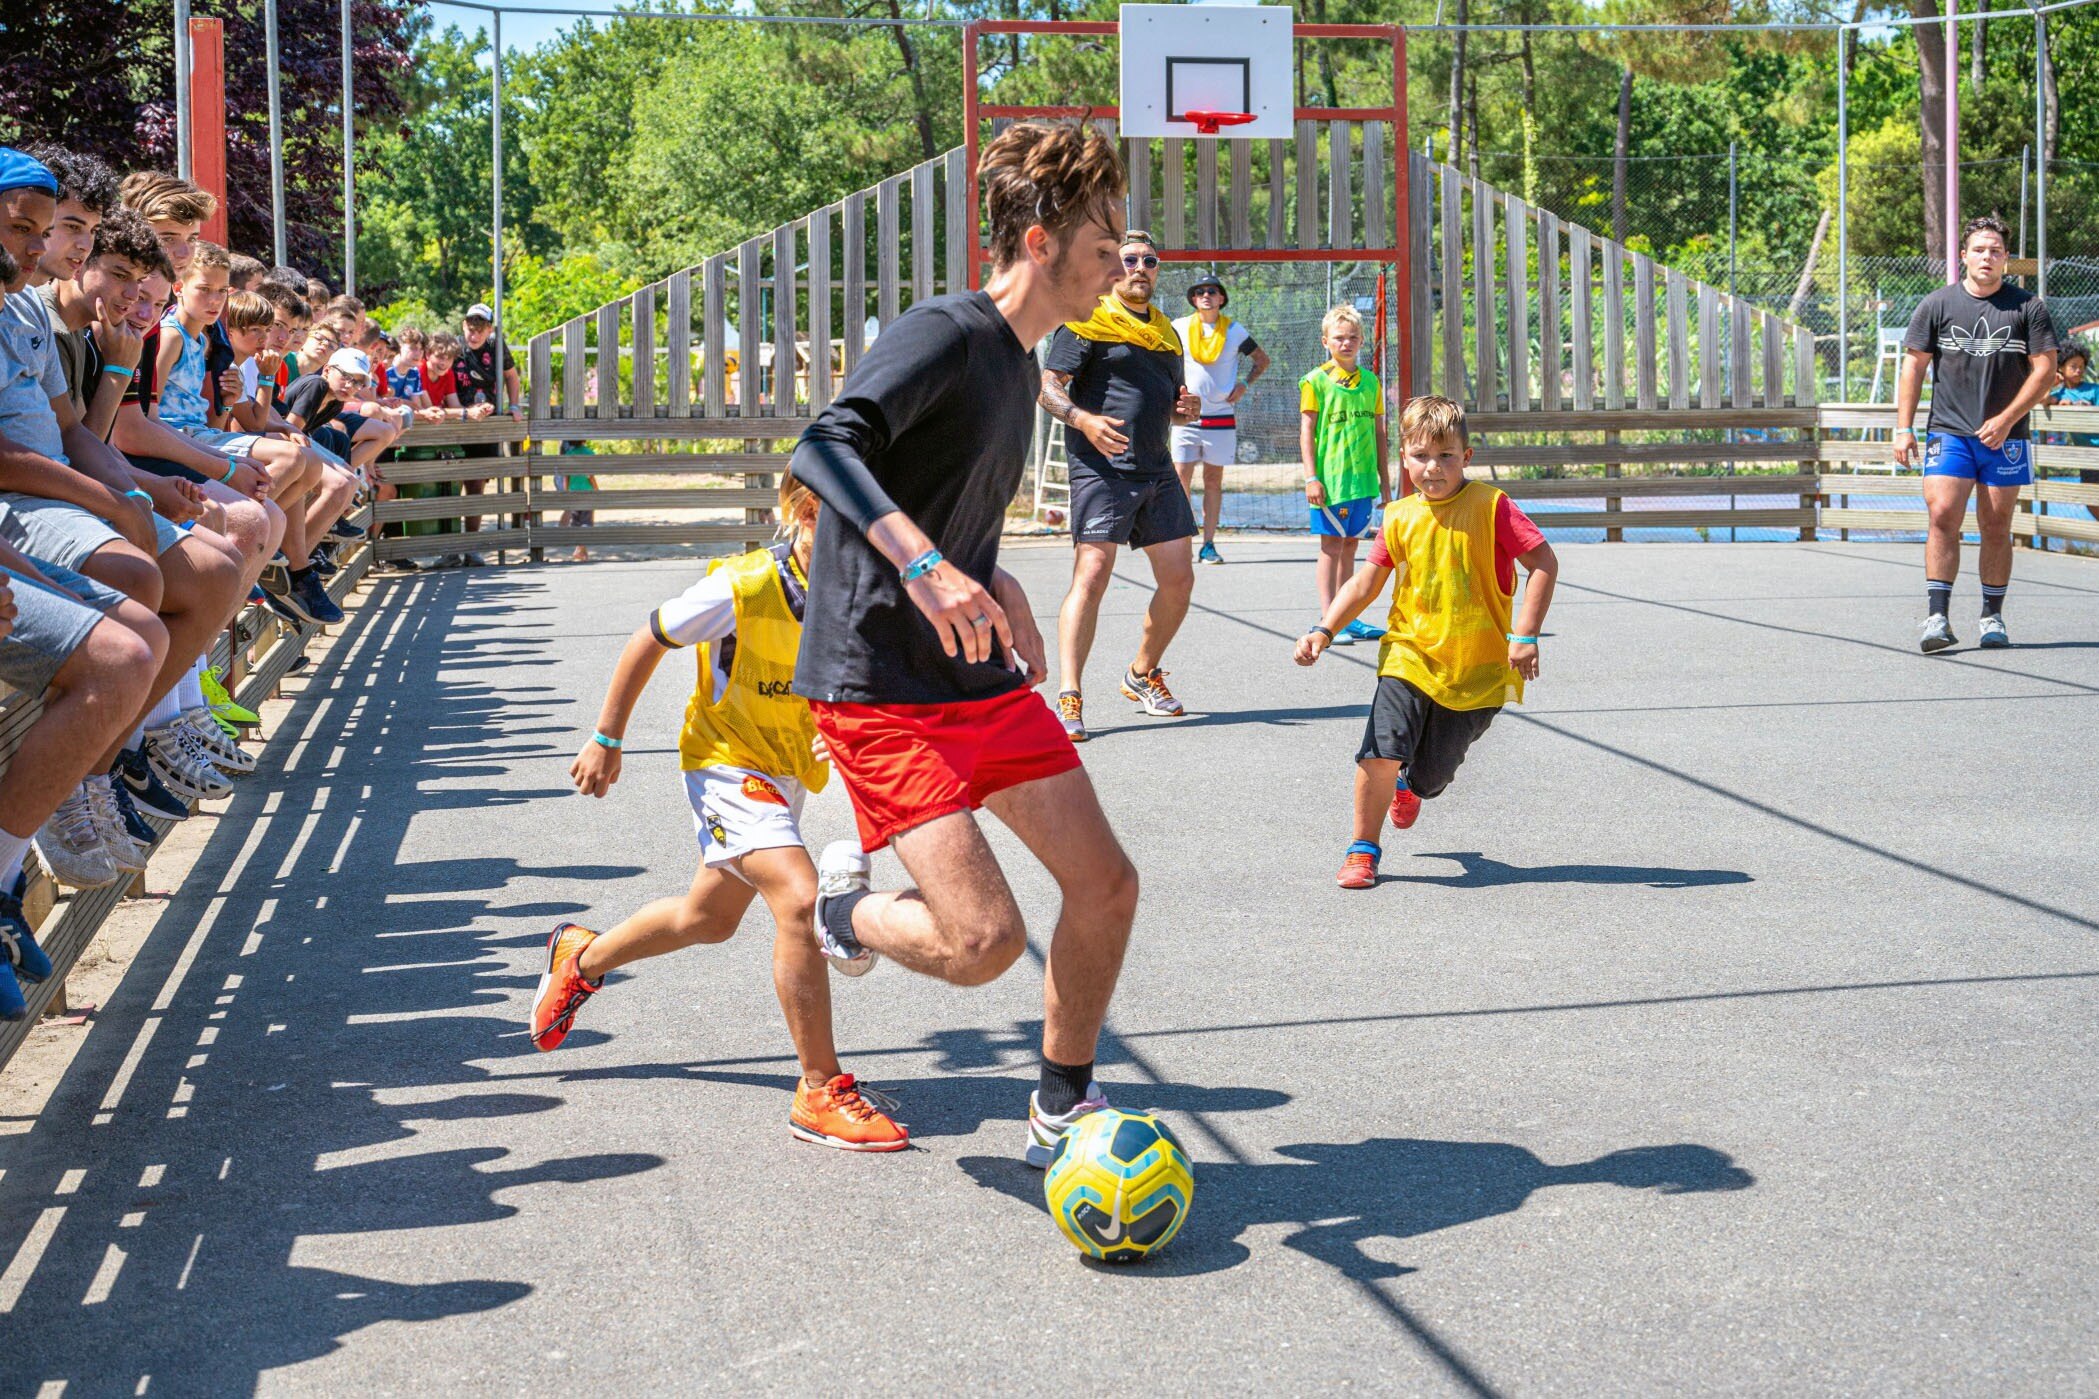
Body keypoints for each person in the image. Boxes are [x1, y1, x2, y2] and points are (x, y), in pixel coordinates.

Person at [788, 118, 1142, 1167]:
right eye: (1100, 241)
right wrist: (924, 564)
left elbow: (943, 491)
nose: (1118, 260)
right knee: (981, 944)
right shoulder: (948, 329)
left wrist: (990, 572)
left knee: (1107, 885)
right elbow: (825, 443)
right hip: (879, 686)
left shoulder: (1019, 363)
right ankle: (845, 913)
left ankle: (1060, 1109)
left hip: (972, 675)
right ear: (1037, 242)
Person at [532, 476, 907, 1150]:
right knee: (798, 899)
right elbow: (649, 637)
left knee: (706, 919)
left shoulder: (856, 587)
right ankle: (819, 1087)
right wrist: (608, 738)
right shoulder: (743, 585)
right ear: (807, 512)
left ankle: (581, 959)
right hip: (725, 760)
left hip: (784, 767)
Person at [1295, 395, 1558, 890]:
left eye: (1446, 457)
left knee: (1432, 776)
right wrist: (1324, 629)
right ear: (1403, 458)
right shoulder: (1397, 515)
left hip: (1476, 667)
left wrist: (1524, 635)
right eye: (1420, 457)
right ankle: (1362, 849)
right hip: (1408, 655)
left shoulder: (1492, 506)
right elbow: (1365, 583)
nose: (1432, 468)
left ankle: (1409, 787)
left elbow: (1543, 563)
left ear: (1467, 457)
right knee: (1379, 749)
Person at [1039, 229, 1201, 742]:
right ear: (1111, 266)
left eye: (1150, 260)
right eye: (1129, 259)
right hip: (1101, 467)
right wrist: (1083, 420)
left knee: (1179, 579)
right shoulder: (1086, 318)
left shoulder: (1168, 333)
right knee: (1093, 572)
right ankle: (1069, 694)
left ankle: (1141, 674)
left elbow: (1166, 403)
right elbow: (1047, 387)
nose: (1140, 267)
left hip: (1156, 468)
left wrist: (1183, 411)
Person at [1895, 214, 2060, 653]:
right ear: (1964, 256)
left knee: (1995, 524)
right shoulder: (1936, 304)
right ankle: (1937, 618)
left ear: (2006, 259)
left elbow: (2046, 369)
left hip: (2006, 438)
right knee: (1943, 514)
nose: (1987, 257)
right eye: (1979, 249)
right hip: (1949, 431)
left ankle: (1992, 617)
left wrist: (2007, 419)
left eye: (1996, 251)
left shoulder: (2028, 307)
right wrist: (1903, 427)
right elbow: (1913, 365)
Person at [1301, 304, 1392, 643]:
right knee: (1331, 546)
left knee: (1352, 545)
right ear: (1326, 341)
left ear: (1362, 341)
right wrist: (1312, 477)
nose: (1346, 343)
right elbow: (1306, 433)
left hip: (1363, 480)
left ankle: (1348, 617)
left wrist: (1384, 482)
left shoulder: (1371, 383)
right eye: (1339, 337)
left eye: (1353, 337)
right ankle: (1328, 620)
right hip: (1331, 482)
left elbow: (1380, 434)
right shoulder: (1315, 381)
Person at [1171, 272, 1268, 565]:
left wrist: (1244, 385)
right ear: (1193, 299)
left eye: (1212, 291)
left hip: (1221, 417)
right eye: (1200, 291)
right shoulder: (1178, 327)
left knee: (1213, 482)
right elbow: (1163, 359)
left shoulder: (1234, 331)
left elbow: (1262, 360)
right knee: (1180, 481)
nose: (1206, 295)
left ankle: (1208, 545)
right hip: (1186, 417)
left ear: (1221, 298)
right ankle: (1180, 543)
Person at [453, 303, 519, 565]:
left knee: (476, 485)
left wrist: (513, 405)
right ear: (464, 326)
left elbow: (512, 377)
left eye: (480, 327)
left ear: (489, 329)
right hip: (456, 421)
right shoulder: (455, 346)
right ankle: (448, 548)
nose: (474, 333)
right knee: (449, 482)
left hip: (485, 425)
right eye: (470, 326)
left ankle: (471, 546)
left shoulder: (496, 347)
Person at [2044, 345, 2099, 522]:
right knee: (2090, 500)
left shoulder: (2093, 390)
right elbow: (2042, 399)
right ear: (2061, 367)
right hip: (2086, 455)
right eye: (2073, 366)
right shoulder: (2059, 392)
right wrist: (2051, 384)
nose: (2078, 370)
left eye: (2082, 367)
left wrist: (2085, 408)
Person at [557, 439, 597, 562]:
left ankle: (581, 552)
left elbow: (566, 477)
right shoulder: (589, 453)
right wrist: (596, 488)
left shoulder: (568, 455)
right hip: (587, 492)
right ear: (584, 440)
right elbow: (590, 475)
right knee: (586, 521)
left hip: (573, 492)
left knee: (576, 522)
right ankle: (580, 550)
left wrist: (566, 491)